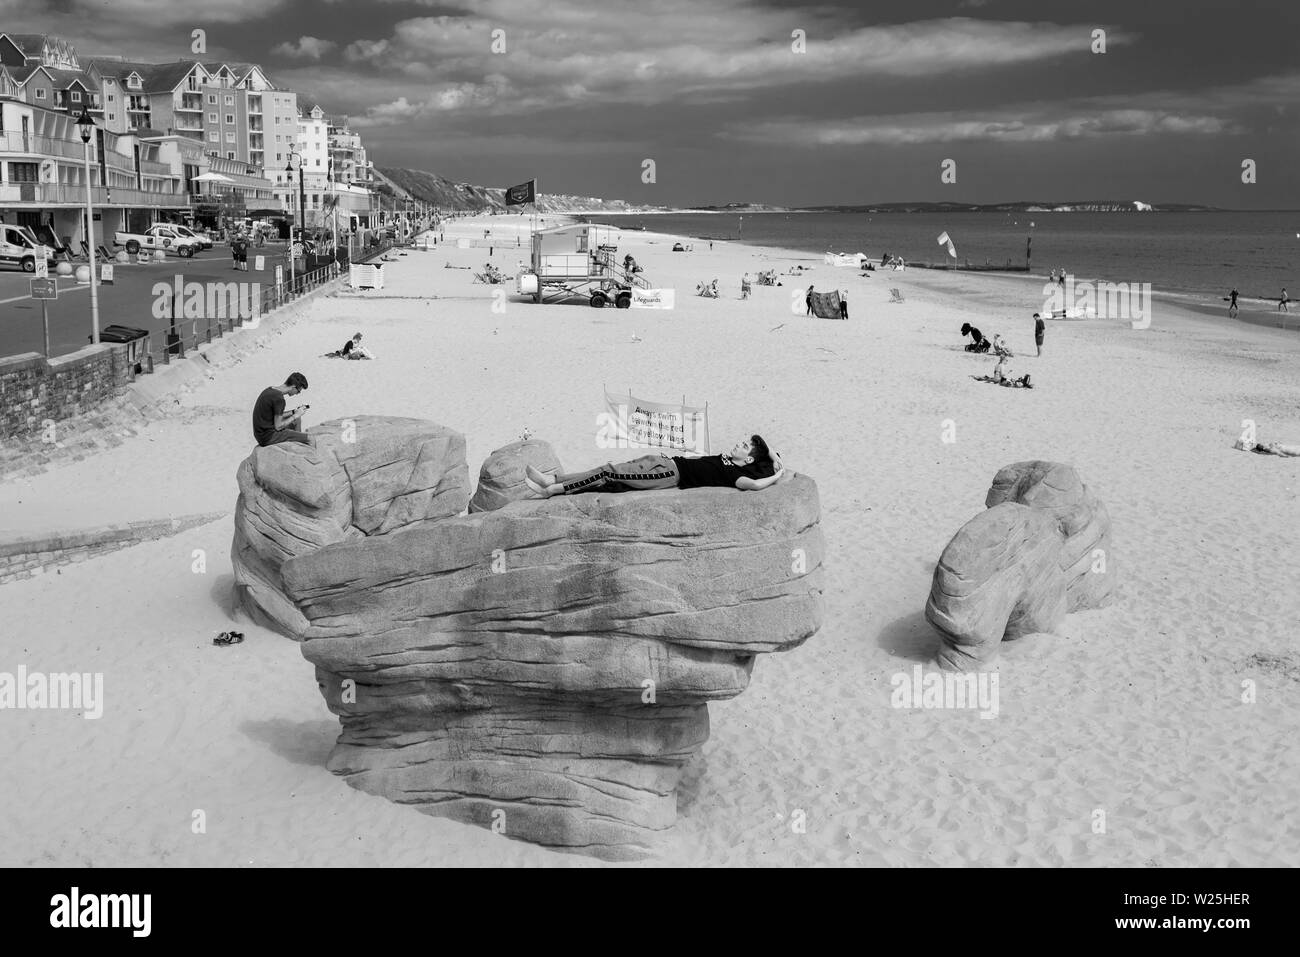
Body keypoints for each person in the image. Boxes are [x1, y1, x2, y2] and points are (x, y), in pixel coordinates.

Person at [523, 436, 784, 497]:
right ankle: (552, 479)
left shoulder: (736, 475)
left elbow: (757, 484)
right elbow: (764, 444)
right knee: (609, 466)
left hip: (669, 475)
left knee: (607, 474)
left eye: (744, 447)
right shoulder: (729, 459)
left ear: (749, 460)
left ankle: (553, 489)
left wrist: (779, 472)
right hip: (664, 461)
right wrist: (772, 455)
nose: (738, 444)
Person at [252, 373, 313, 447]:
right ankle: (300, 446)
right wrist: (296, 415)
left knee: (297, 420)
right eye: (298, 391)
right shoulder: (279, 399)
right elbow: (278, 426)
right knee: (310, 438)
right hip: (268, 437)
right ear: (293, 387)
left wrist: (294, 412)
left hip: (260, 434)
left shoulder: (270, 390)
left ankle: (297, 445)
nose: (297, 394)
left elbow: (275, 415)